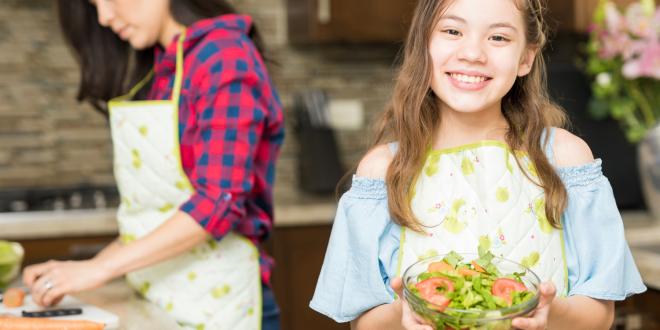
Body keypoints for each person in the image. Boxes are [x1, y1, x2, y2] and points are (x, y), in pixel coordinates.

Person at [310, 0, 647, 329]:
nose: (473, 53)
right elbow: (364, 322)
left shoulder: (566, 159)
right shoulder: (382, 170)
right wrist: (405, 315)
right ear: (424, 44)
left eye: (498, 37)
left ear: (526, 57)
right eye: (453, 31)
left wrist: (551, 312)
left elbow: (600, 315)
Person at [22, 0, 284, 329]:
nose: (103, 17)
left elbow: (219, 202)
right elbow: (159, 214)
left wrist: (99, 269)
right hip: (160, 300)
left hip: (222, 306)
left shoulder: (225, 56)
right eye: (94, 5)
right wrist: (83, 269)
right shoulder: (163, 66)